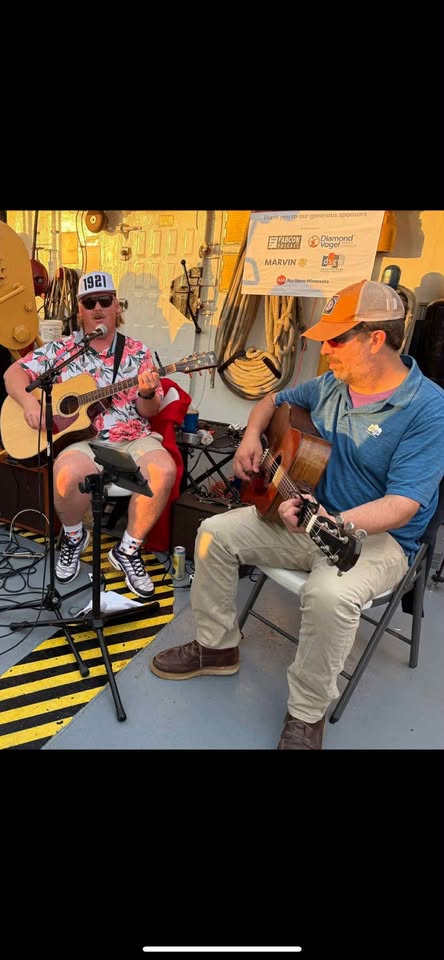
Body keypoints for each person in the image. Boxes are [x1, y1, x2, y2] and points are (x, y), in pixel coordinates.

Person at [150, 279, 444, 748]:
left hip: (376, 539)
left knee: (329, 596)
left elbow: (403, 504)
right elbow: (273, 400)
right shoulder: (332, 383)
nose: (324, 349)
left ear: (375, 339)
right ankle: (217, 647)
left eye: (336, 339)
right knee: (211, 534)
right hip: (301, 514)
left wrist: (334, 521)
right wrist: (251, 436)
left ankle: (306, 714)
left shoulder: (427, 409)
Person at [4, 270, 176, 599]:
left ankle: (127, 550)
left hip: (133, 435)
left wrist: (147, 394)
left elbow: (149, 412)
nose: (98, 307)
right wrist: (29, 402)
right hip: (84, 438)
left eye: (105, 301)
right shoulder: (62, 350)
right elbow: (13, 372)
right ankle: (73, 537)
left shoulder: (140, 353)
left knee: (163, 469)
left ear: (116, 307)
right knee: (65, 475)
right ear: (80, 309)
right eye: (89, 302)